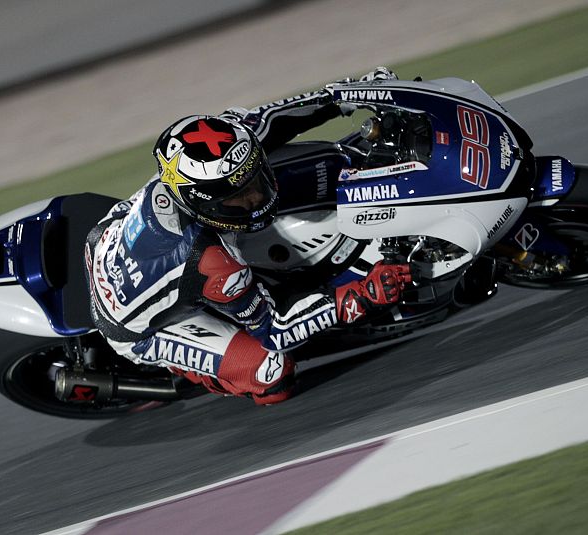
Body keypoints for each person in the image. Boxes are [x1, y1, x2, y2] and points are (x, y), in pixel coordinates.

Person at [85, 67, 411, 405]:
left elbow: (273, 118)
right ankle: (198, 369)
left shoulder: (227, 143)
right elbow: (275, 330)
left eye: (254, 181)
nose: (256, 196)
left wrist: (345, 96)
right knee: (272, 374)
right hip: (131, 326)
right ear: (203, 203)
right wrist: (357, 298)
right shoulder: (212, 260)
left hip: (106, 235)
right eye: (239, 196)